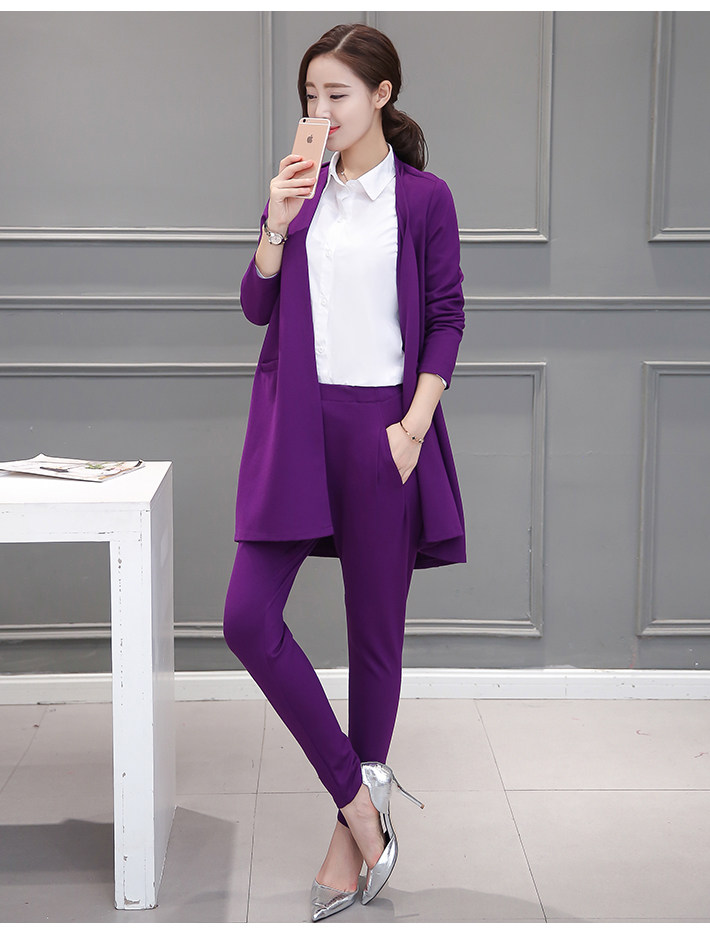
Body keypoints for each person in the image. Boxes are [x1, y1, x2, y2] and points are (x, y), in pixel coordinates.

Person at [223, 22, 466, 921]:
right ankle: (360, 800)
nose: (320, 111)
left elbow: (446, 315)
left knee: (374, 637)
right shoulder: (302, 191)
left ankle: (345, 838)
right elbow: (256, 305)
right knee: (247, 618)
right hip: (297, 426)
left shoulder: (423, 198)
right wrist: (275, 225)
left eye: (337, 95)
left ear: (382, 95)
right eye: (310, 97)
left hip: (382, 432)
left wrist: (411, 429)